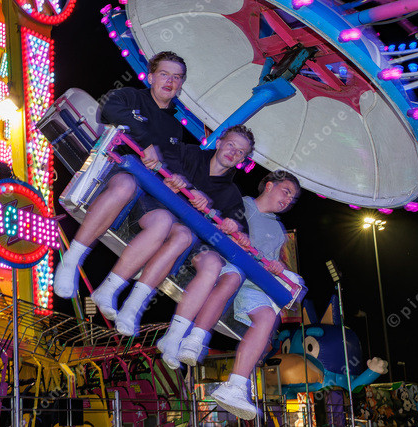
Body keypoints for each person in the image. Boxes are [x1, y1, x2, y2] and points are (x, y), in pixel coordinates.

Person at [162, 171, 303, 419]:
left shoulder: (278, 229)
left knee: (268, 317)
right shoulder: (242, 204)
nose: (288, 200)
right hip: (229, 263)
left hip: (255, 281)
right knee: (232, 276)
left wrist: (279, 267)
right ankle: (194, 339)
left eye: (292, 199)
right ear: (269, 185)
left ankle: (235, 387)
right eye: (286, 192)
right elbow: (216, 223)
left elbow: (273, 260)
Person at [94, 125, 256, 337]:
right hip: (151, 212)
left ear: (242, 159)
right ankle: (109, 287)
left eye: (240, 152)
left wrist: (233, 227)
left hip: (180, 240)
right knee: (164, 221)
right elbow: (160, 159)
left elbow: (239, 228)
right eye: (231, 145)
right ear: (218, 143)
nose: (233, 152)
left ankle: (132, 307)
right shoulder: (189, 152)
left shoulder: (232, 194)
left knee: (184, 236)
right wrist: (178, 181)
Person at [54, 51, 188, 301]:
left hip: (147, 193)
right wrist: (146, 142)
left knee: (164, 221)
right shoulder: (129, 96)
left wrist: (175, 178)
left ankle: (110, 289)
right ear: (150, 77)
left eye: (177, 77)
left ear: (181, 84)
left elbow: (172, 164)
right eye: (164, 74)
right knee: (127, 183)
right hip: (115, 172)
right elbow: (109, 110)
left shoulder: (175, 127)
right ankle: (71, 261)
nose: (170, 81)